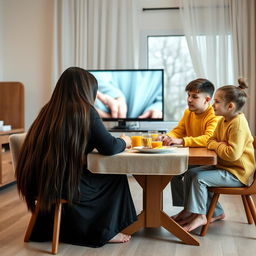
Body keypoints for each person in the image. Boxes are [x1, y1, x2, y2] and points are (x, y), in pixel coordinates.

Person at [15, 67, 137, 247]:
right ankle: (105, 231)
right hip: (64, 185)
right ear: (88, 90)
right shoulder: (85, 111)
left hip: (40, 184)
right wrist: (125, 141)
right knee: (116, 176)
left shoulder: (47, 111)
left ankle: (68, 227)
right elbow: (109, 147)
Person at [174, 78, 255, 232]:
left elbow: (231, 154)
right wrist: (218, 144)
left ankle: (200, 215)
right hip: (225, 167)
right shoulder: (223, 120)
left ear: (230, 106)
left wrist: (216, 144)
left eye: (216, 102)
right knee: (190, 173)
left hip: (237, 173)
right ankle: (191, 211)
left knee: (199, 178)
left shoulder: (238, 124)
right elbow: (210, 140)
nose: (212, 105)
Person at [160, 78, 219, 207]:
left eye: (194, 97)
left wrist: (181, 141)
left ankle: (194, 211)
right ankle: (186, 208)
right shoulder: (188, 113)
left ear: (207, 100)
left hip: (211, 160)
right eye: (188, 95)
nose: (189, 100)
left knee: (188, 174)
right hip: (194, 157)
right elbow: (178, 130)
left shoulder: (214, 115)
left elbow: (208, 138)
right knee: (173, 172)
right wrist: (167, 137)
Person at [92, 70, 163, 119]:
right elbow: (92, 76)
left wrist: (156, 108)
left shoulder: (159, 77)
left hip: (143, 115)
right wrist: (117, 96)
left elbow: (160, 100)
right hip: (99, 116)